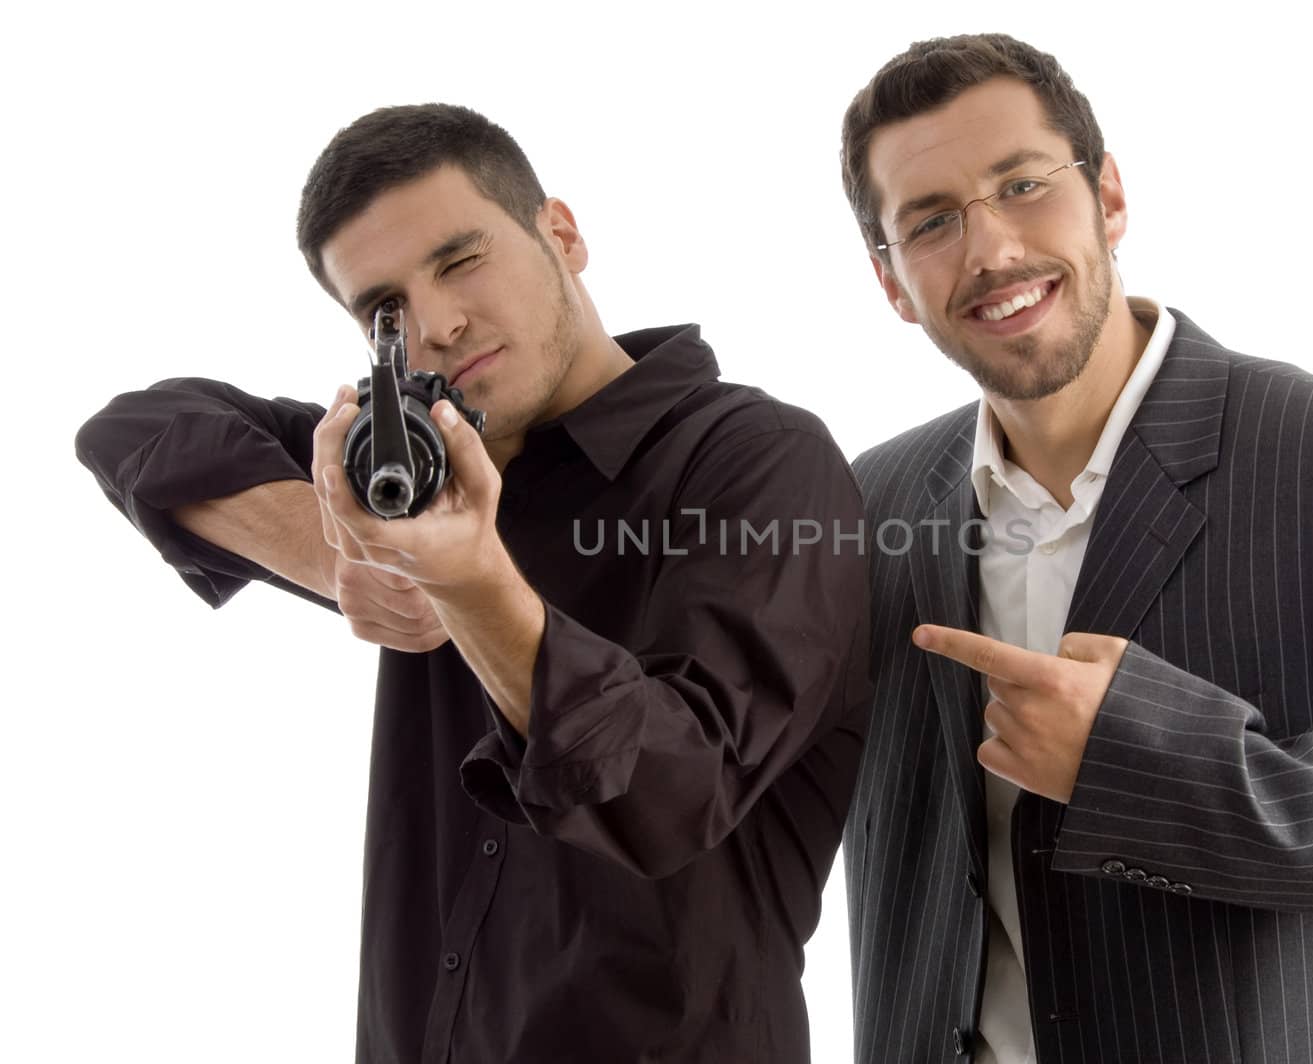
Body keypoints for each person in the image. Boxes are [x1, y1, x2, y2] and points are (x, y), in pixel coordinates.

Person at [838, 33, 1313, 1064]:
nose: (991, 250)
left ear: (1107, 197)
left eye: (1021, 184)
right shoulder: (864, 502)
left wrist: (1140, 761)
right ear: (888, 279)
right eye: (931, 221)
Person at [75, 103, 870, 1063]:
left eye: (461, 261)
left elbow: (669, 792)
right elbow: (135, 431)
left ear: (562, 235)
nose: (439, 325)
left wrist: (474, 587)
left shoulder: (761, 459)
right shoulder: (408, 471)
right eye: (386, 311)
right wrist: (341, 553)